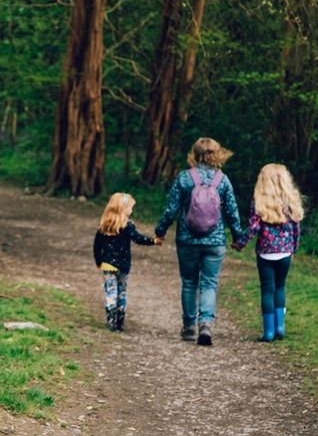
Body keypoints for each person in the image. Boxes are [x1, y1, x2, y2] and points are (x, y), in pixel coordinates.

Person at [154, 138, 243, 346]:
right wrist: (239, 238)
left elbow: (171, 210)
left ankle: (189, 327)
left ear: (194, 154)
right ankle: (206, 325)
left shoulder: (184, 178)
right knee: (209, 284)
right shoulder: (223, 180)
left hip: (187, 240)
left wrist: (160, 231)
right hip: (215, 241)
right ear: (217, 154)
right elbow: (232, 213)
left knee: (189, 283)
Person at [232, 163, 304, 341]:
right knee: (280, 287)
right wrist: (293, 248)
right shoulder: (291, 203)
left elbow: (253, 228)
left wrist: (241, 243)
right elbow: (296, 229)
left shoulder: (259, 203)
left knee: (267, 290)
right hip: (285, 254)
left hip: (265, 253)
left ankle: (269, 332)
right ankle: (279, 327)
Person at [94, 192, 163, 331]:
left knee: (110, 292)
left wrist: (98, 261)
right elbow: (138, 238)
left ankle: (111, 320)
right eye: (130, 207)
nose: (131, 210)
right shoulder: (127, 226)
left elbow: (97, 246)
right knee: (122, 292)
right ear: (123, 208)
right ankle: (120, 321)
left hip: (107, 265)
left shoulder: (104, 226)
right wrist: (153, 241)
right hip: (123, 266)